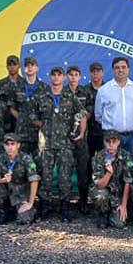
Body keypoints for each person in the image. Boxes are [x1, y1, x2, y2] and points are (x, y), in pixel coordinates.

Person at [31, 66, 86, 221]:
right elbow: (32, 116)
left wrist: (81, 132)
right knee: (45, 177)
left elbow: (82, 114)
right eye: (53, 75)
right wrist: (45, 126)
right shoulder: (42, 96)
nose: (56, 78)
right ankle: (45, 207)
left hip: (65, 144)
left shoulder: (70, 96)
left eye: (59, 75)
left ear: (63, 78)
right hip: (46, 144)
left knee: (64, 178)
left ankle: (65, 208)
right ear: (50, 77)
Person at [95, 56, 133, 153]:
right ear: (113, 70)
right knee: (112, 166)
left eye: (123, 67)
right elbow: (98, 115)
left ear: (128, 69)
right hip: (111, 137)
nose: (120, 70)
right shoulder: (103, 90)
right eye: (117, 67)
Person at [0, 133, 40, 225]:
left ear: (18, 145)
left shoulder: (26, 158)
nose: (9, 147)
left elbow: (34, 180)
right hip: (6, 191)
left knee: (24, 220)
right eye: (7, 144)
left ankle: (32, 209)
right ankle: (2, 212)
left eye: (12, 144)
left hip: (21, 192)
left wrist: (30, 203)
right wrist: (3, 180)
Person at [89, 130, 133, 229]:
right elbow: (99, 185)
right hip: (105, 191)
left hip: (118, 194)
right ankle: (103, 214)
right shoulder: (98, 157)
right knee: (100, 195)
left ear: (118, 142)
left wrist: (123, 205)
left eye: (114, 142)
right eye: (108, 142)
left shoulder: (125, 156)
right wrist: (109, 174)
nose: (111, 145)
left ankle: (115, 211)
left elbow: (128, 181)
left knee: (120, 224)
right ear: (104, 142)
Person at [66, 65, 95, 214]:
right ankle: (66, 202)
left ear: (80, 77)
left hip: (82, 137)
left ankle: (83, 201)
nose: (73, 77)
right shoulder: (62, 93)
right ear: (67, 77)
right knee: (66, 170)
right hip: (65, 138)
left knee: (83, 170)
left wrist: (79, 122)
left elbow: (89, 112)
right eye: (70, 74)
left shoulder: (86, 92)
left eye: (76, 74)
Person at [10, 56, 45, 157]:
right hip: (21, 132)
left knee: (39, 162)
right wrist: (22, 118)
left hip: (37, 133)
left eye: (32, 65)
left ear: (37, 68)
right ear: (23, 68)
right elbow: (12, 108)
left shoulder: (44, 88)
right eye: (27, 66)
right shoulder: (17, 86)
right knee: (21, 162)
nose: (29, 68)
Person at [83, 62, 107, 159]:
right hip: (89, 132)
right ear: (90, 73)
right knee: (87, 161)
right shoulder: (84, 90)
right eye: (93, 71)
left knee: (106, 159)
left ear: (103, 73)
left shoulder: (109, 89)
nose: (95, 73)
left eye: (98, 71)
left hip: (105, 131)